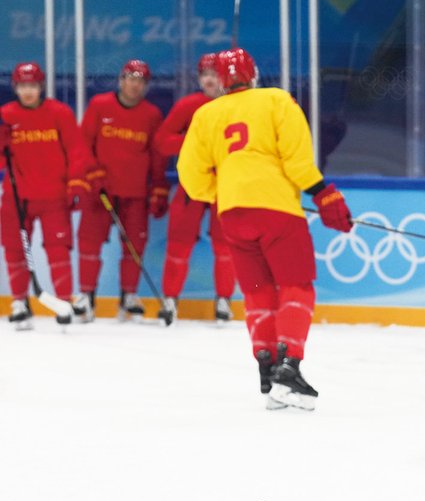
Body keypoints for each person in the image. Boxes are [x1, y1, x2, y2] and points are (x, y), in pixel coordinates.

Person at [177, 47, 353, 411]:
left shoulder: (206, 113)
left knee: (257, 290)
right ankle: (289, 366)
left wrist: (226, 191)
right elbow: (297, 159)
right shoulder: (276, 100)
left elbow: (191, 177)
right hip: (277, 213)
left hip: (232, 215)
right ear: (252, 74)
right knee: (296, 285)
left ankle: (267, 362)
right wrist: (322, 193)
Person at [76, 59, 169, 322]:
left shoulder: (151, 115)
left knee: (134, 245)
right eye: (130, 78)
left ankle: (128, 296)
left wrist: (159, 186)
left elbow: (157, 155)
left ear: (146, 86)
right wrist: (92, 172)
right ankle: (86, 296)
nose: (135, 84)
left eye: (140, 80)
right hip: (100, 191)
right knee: (89, 242)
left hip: (135, 191)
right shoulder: (100, 105)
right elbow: (83, 144)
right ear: (121, 80)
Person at [1, 61, 92, 328]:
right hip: (17, 199)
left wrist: (75, 182)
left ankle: (64, 299)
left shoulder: (59, 113)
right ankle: (20, 301)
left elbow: (77, 150)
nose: (27, 91)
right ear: (15, 87)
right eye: (22, 86)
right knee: (14, 250)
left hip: (54, 196)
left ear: (40, 86)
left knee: (58, 251)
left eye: (32, 85)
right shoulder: (5, 115)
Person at [152, 52, 236, 325]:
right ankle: (170, 299)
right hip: (192, 185)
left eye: (216, 74)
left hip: (226, 186)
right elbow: (163, 142)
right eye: (206, 75)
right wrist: (193, 141)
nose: (210, 80)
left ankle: (224, 300)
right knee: (178, 243)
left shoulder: (236, 105)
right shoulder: (189, 105)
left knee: (226, 246)